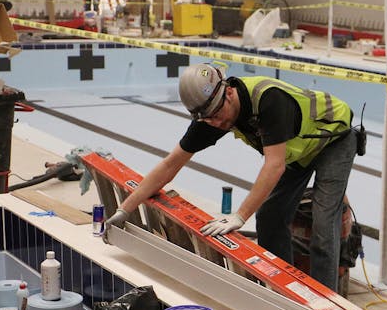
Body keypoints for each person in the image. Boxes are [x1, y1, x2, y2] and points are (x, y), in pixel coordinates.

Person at [105, 63, 357, 291]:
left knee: (324, 224)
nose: (215, 123)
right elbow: (170, 165)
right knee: (270, 216)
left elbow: (274, 165)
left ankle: (326, 300)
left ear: (228, 91)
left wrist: (239, 216)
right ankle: (283, 289)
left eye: (216, 114)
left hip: (333, 139)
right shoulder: (212, 115)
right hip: (298, 150)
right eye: (208, 118)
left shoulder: (269, 100)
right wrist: (124, 209)